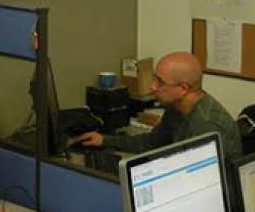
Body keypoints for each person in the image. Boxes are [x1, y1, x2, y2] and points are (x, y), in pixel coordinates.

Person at [77, 52, 243, 161]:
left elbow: (197, 181)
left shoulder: (205, 127)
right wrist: (105, 140)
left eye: (160, 82)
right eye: (154, 79)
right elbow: (150, 142)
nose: (152, 87)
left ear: (183, 89)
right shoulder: (176, 107)